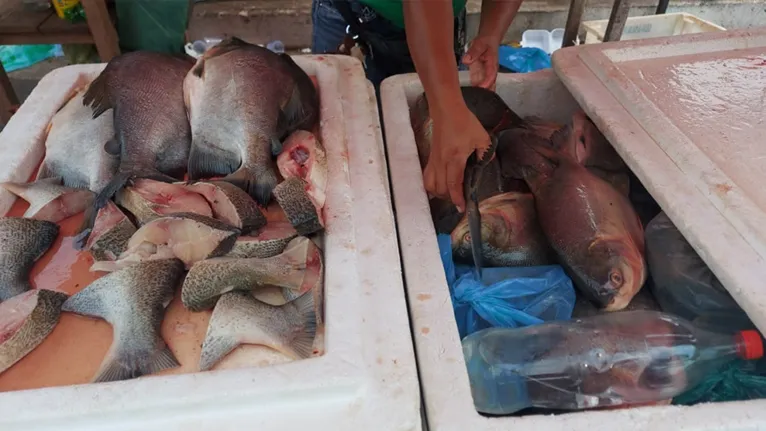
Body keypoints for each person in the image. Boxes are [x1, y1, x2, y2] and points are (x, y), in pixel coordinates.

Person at [311, 0, 523, 213]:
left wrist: (491, 33)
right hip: (351, 13)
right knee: (348, 156)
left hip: (444, 22)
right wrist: (448, 111)